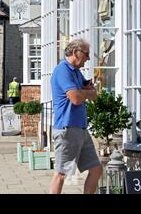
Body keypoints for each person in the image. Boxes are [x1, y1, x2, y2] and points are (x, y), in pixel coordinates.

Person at [49, 39, 102, 194]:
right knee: (61, 174)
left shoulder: (76, 73)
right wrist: (85, 93)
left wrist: (84, 91)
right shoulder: (62, 71)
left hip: (81, 129)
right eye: (86, 54)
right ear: (75, 52)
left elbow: (93, 95)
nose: (88, 58)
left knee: (96, 169)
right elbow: (76, 98)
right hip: (67, 130)